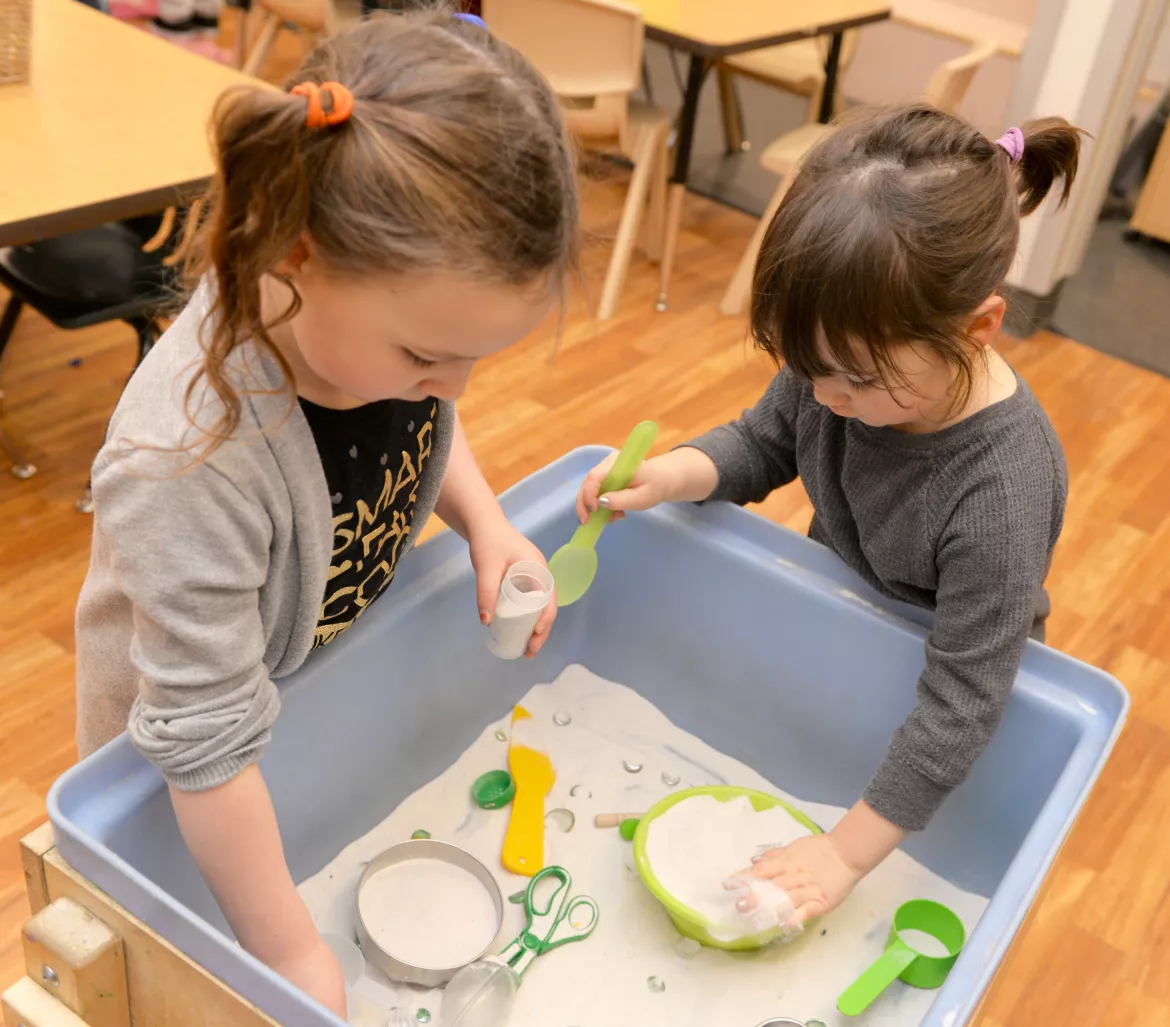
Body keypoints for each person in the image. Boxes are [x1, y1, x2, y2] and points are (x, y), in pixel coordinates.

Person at [75, 10, 577, 1017]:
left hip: (294, 686)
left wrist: (484, 521)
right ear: (298, 255)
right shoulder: (184, 460)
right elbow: (205, 750)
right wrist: (295, 955)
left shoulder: (378, 331)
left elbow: (431, 421)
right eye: (430, 357)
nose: (452, 385)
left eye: (479, 357)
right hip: (181, 763)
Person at [576, 104, 1082, 928]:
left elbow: (962, 702)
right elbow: (763, 441)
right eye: (804, 366)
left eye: (851, 378)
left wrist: (844, 855)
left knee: (911, 805)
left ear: (977, 329)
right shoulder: (838, 365)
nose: (824, 397)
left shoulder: (1000, 493)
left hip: (942, 679)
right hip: (846, 620)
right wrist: (669, 474)